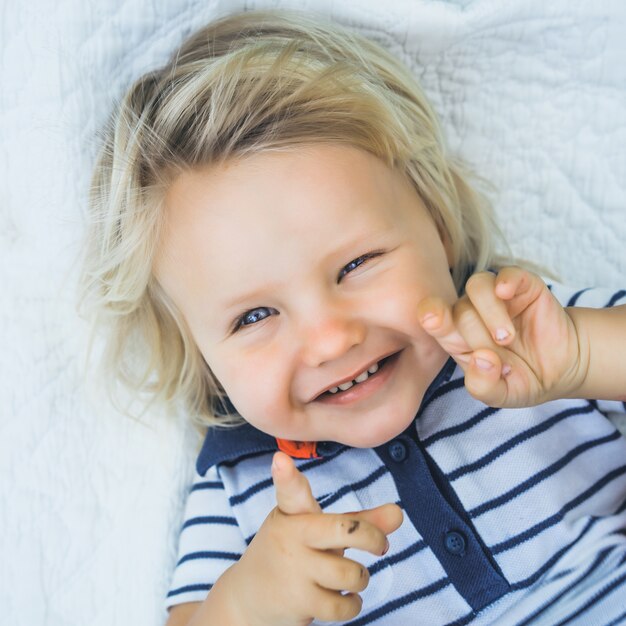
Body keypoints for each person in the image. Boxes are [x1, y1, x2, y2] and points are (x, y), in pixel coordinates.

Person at [78, 9, 626, 626]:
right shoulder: (242, 484)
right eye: (255, 315)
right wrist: (248, 604)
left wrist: (585, 355)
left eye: (358, 263)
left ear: (440, 231)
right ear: (203, 357)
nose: (332, 337)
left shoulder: (527, 335)